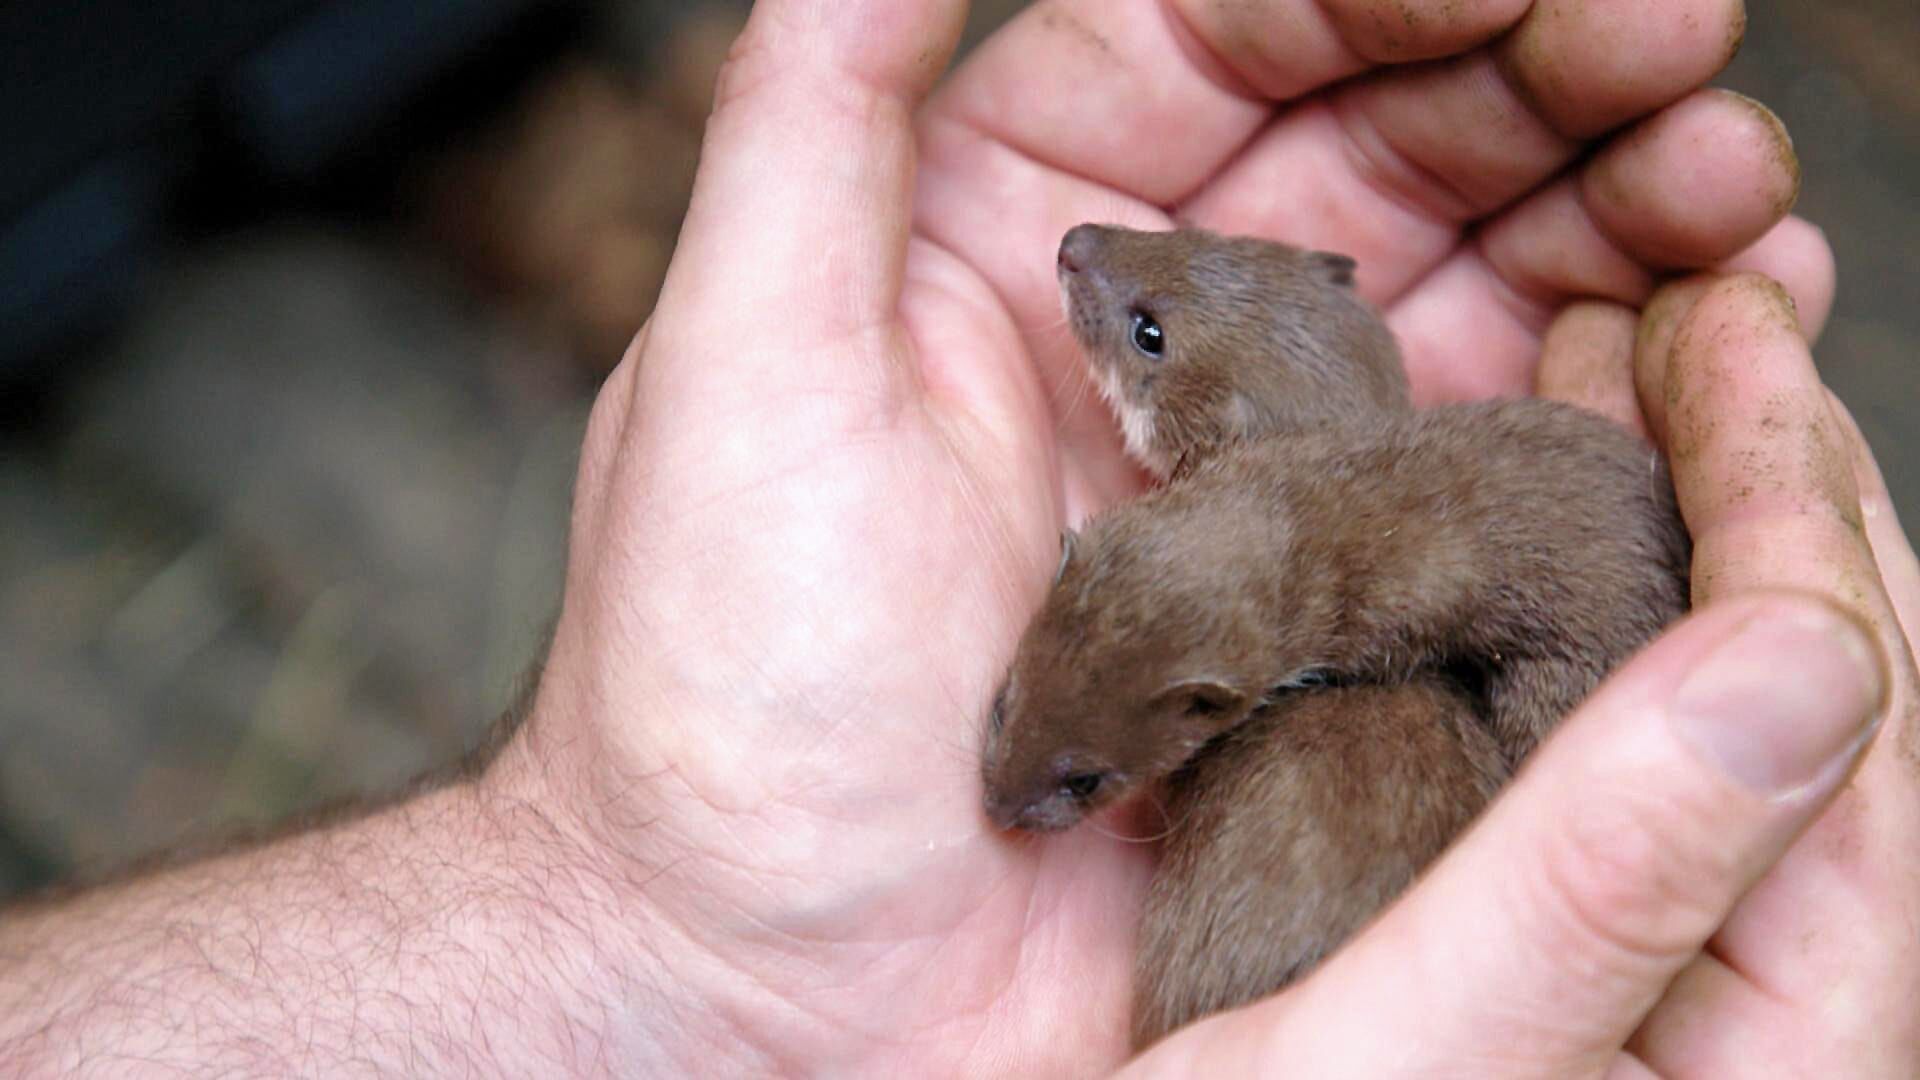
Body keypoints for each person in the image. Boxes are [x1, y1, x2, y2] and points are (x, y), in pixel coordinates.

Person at [4, 0, 1916, 1073]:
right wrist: (611, 898)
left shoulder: (1317, 598)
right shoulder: (1273, 550)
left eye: (1144, 333)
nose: (1079, 274)